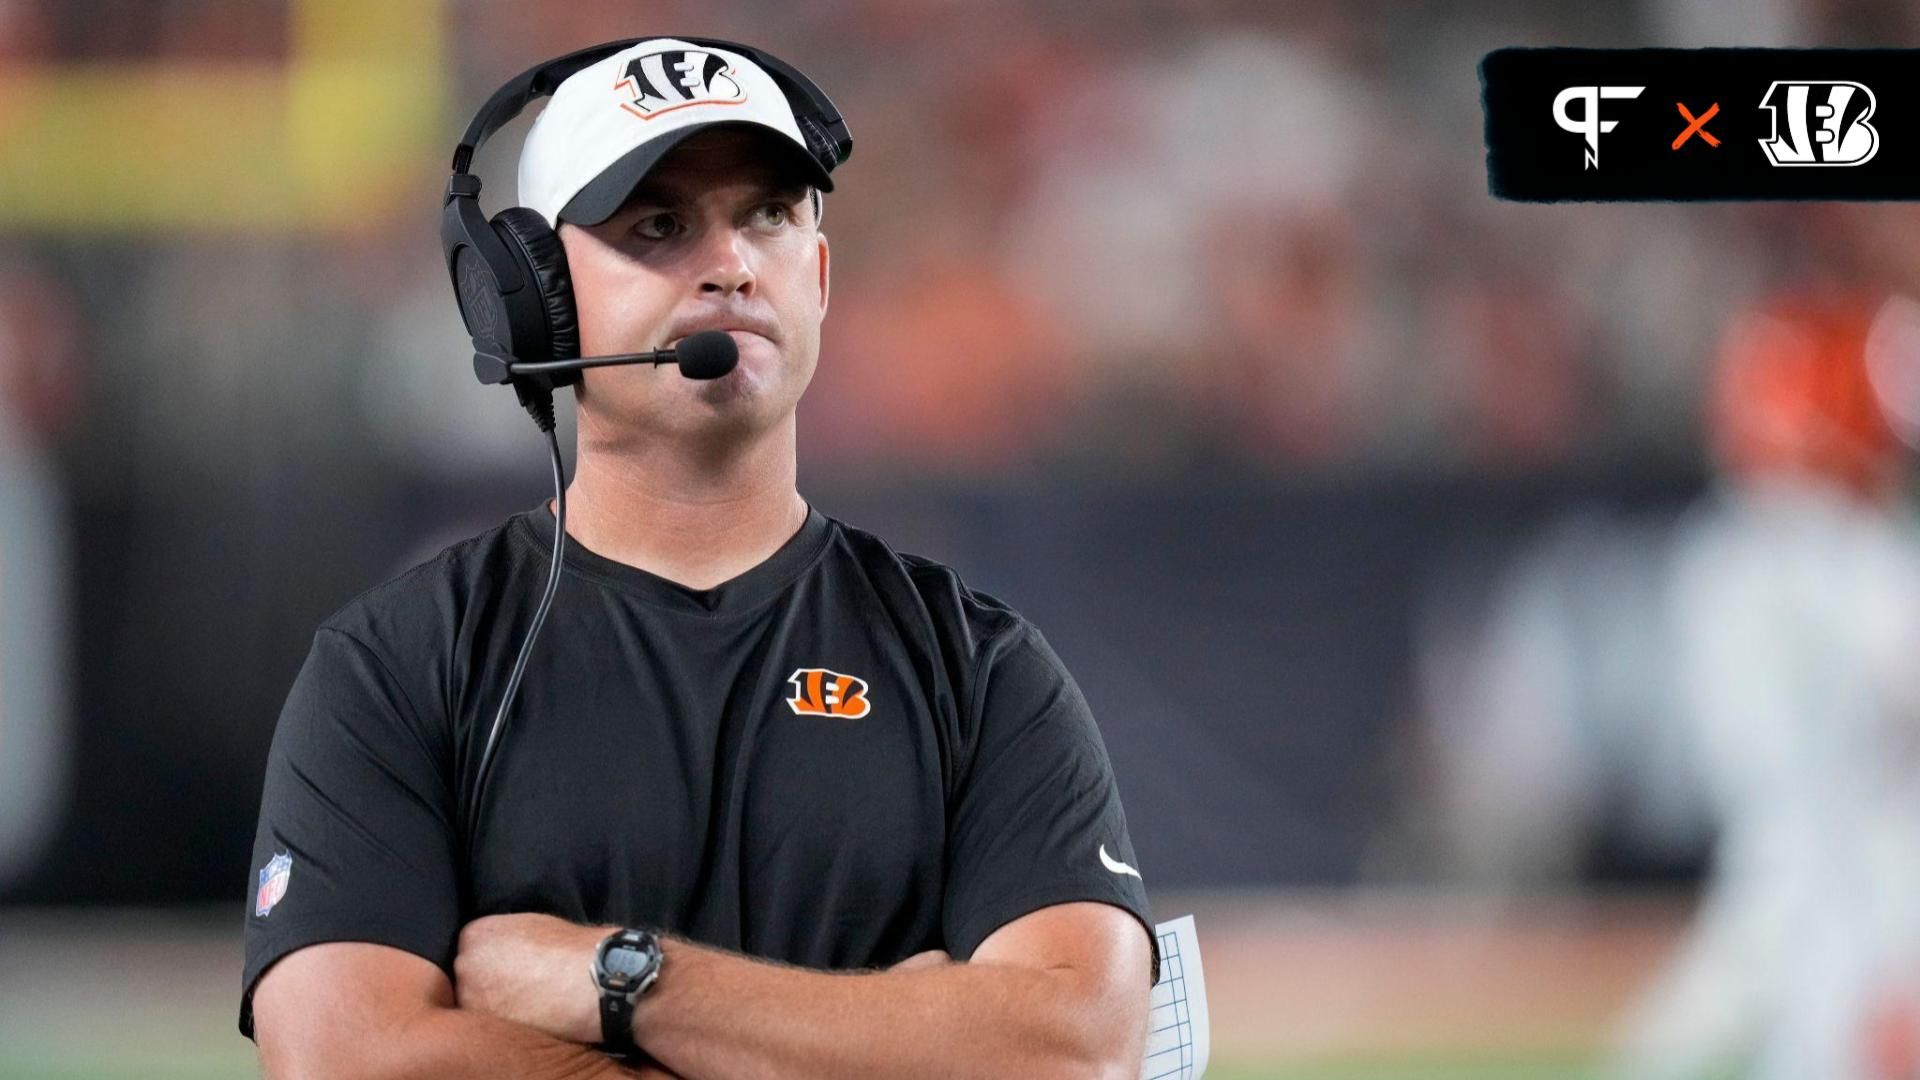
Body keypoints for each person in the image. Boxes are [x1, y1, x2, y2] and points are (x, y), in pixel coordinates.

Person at [241, 37, 1157, 1080]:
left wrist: (622, 980)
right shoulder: (397, 664)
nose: (730, 263)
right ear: (532, 298)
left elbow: (1075, 1050)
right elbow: (343, 1060)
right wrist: (894, 1041)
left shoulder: (981, 666)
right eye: (660, 224)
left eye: (769, 214)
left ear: (818, 274)